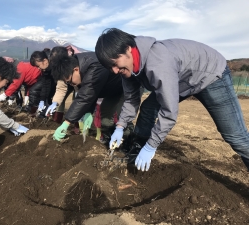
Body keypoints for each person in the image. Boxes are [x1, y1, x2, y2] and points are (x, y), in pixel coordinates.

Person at [95, 28, 249, 172]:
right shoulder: (128, 69)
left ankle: (145, 147)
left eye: (115, 64)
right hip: (182, 80)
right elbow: (131, 99)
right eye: (110, 68)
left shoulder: (158, 62)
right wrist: (120, 127)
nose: (115, 71)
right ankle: (137, 151)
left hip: (209, 75)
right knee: (148, 108)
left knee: (235, 136)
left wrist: (152, 145)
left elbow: (169, 111)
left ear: (128, 48)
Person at [49, 52, 124, 142]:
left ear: (76, 70)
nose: (71, 84)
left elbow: (86, 95)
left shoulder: (95, 66)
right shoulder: (80, 69)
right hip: (110, 90)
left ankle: (129, 144)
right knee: (105, 118)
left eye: (70, 81)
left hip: (125, 87)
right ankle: (109, 141)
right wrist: (89, 111)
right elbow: (92, 92)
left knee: (123, 117)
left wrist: (66, 123)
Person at [30, 47, 75, 123]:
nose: (38, 69)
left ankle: (75, 124)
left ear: (45, 61)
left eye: (38, 66)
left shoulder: (56, 63)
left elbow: (61, 85)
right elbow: (46, 85)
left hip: (72, 80)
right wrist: (42, 100)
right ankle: (56, 121)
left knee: (74, 100)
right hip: (62, 82)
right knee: (58, 100)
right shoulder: (46, 69)